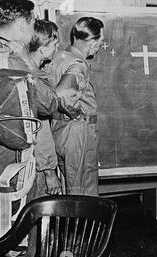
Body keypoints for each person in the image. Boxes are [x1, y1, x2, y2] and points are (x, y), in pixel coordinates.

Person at [0, 0, 65, 257]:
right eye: (33, 23)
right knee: (16, 250)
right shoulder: (11, 61)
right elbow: (48, 103)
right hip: (10, 169)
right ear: (22, 26)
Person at [45, 17, 104, 196]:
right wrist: (77, 113)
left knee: (68, 189)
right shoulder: (78, 64)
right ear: (92, 42)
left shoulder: (58, 58)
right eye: (101, 41)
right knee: (83, 191)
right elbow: (62, 94)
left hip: (59, 129)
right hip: (77, 132)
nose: (101, 45)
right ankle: (83, 223)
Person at [28, 19, 63, 197]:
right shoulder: (34, 78)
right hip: (37, 166)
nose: (57, 49)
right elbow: (40, 130)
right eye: (54, 44)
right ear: (42, 48)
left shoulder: (19, 67)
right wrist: (50, 172)